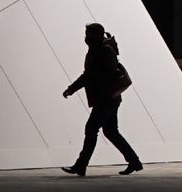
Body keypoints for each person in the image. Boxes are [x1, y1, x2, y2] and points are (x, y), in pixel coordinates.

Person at [60, 22, 143, 176]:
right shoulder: (93, 51)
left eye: (89, 33)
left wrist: (95, 78)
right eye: (86, 33)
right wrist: (71, 89)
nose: (86, 37)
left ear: (98, 34)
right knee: (111, 131)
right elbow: (87, 75)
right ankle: (134, 161)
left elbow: (108, 72)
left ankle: (81, 165)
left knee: (91, 129)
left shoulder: (105, 50)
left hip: (107, 98)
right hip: (107, 97)